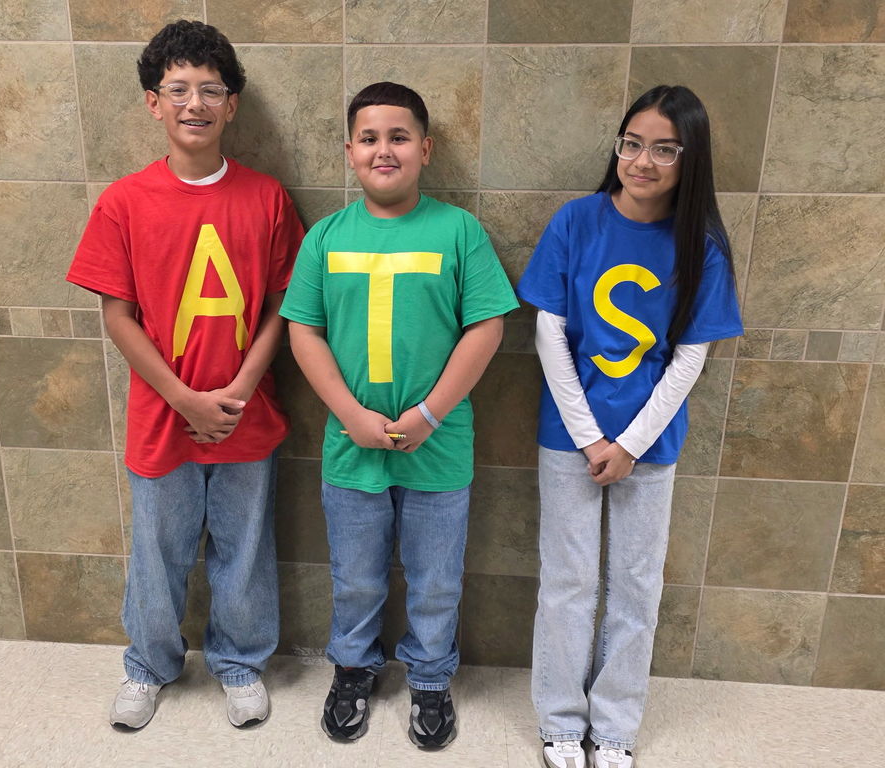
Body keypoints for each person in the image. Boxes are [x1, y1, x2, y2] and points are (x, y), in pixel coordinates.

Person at [66, 20, 304, 731]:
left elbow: (284, 306)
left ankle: (239, 662)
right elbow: (117, 315)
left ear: (232, 105)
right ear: (153, 102)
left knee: (244, 545)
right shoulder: (124, 201)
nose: (193, 103)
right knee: (158, 549)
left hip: (244, 414)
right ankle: (148, 664)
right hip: (162, 415)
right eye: (178, 90)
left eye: (210, 90)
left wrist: (233, 392)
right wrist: (182, 398)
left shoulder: (266, 199)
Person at [279, 81, 518, 749]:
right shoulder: (326, 238)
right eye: (370, 138)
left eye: (400, 136)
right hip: (351, 446)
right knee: (355, 574)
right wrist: (351, 413)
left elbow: (487, 328)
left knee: (436, 577)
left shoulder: (458, 231)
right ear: (349, 151)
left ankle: (431, 676)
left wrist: (430, 414)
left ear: (426, 148)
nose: (384, 149)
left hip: (438, 448)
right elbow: (304, 332)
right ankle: (353, 668)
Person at [516, 85, 743, 768]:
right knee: (568, 581)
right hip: (570, 440)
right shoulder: (577, 221)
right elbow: (549, 333)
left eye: (664, 149)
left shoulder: (699, 247)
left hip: (653, 442)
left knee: (638, 587)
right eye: (633, 144)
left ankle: (613, 728)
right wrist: (591, 437)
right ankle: (560, 721)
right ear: (618, 146)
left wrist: (632, 443)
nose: (643, 161)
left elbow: (689, 359)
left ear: (689, 158)